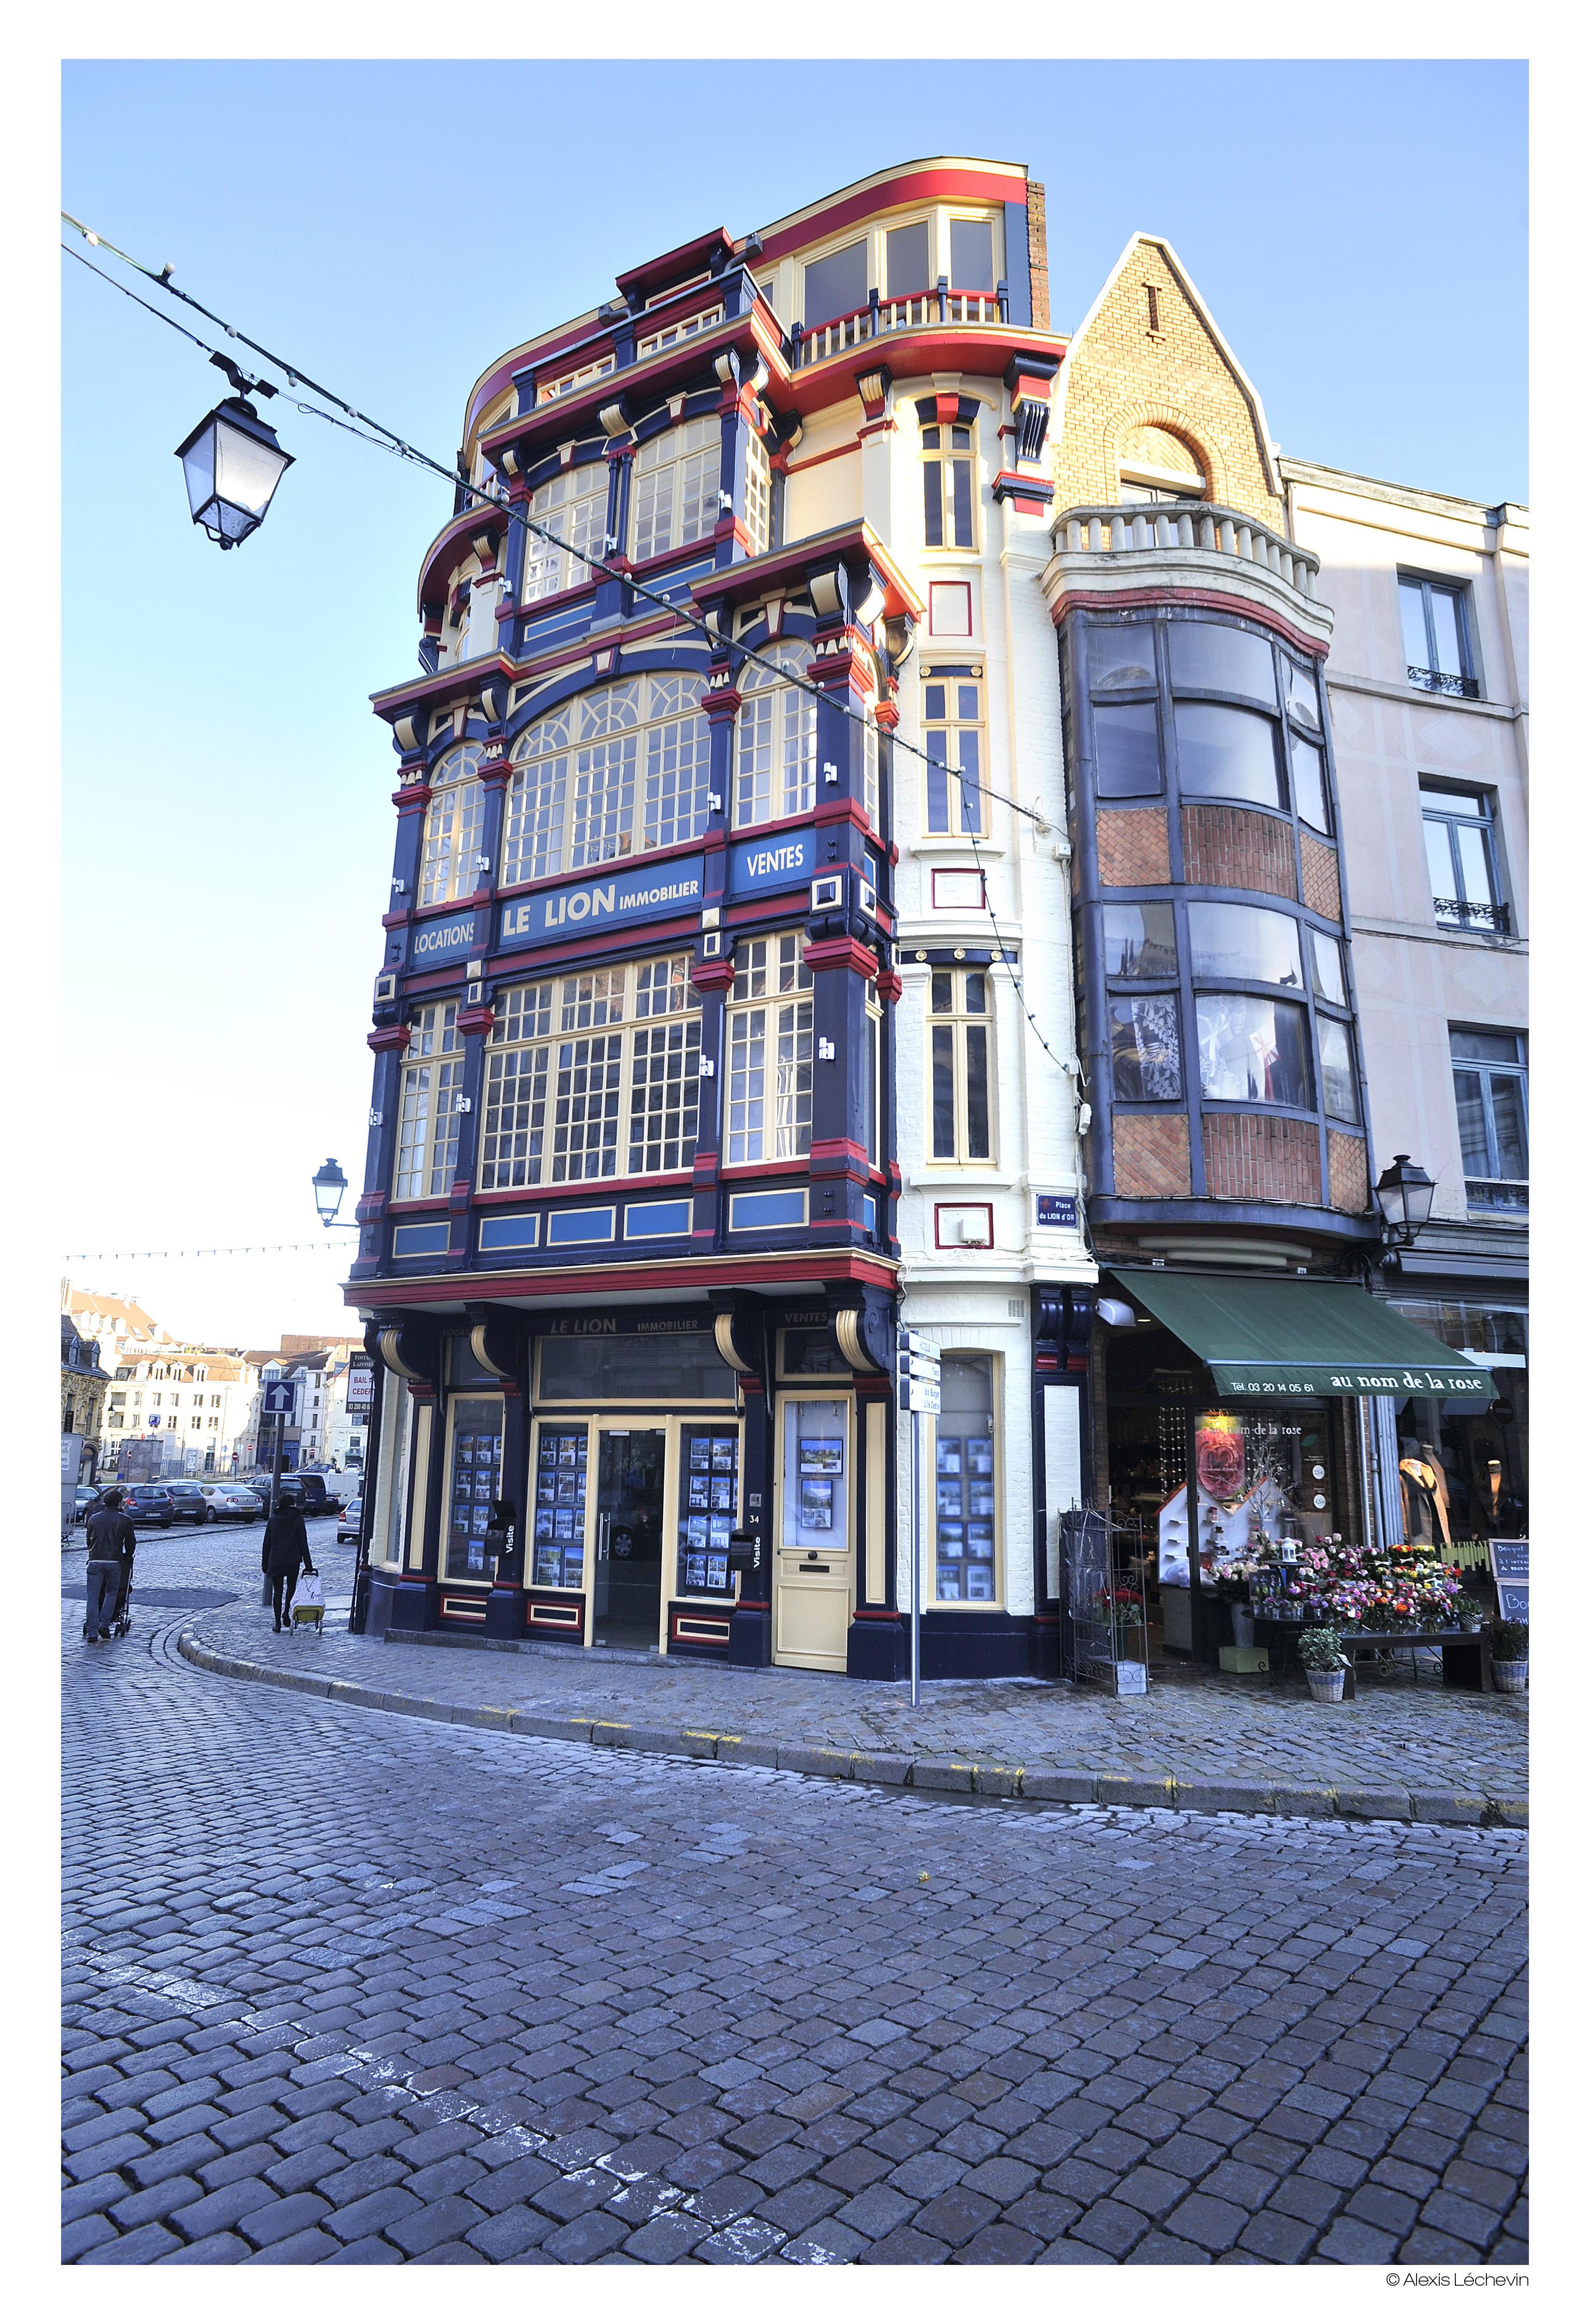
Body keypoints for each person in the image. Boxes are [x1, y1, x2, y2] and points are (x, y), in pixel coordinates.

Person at [83, 1488, 135, 1644]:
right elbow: (131, 1543)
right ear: (120, 1503)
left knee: (93, 1598)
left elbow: (89, 1541)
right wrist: (127, 1556)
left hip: (94, 1561)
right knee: (111, 1593)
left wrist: (93, 1553)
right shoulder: (125, 1520)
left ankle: (92, 1632)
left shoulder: (93, 1519)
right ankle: (104, 1624)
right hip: (114, 1562)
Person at [261, 1499, 313, 1632]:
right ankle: (286, 1611)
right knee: (291, 1587)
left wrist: (265, 1563)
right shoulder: (298, 1520)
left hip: (276, 1560)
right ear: (293, 1505)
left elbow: (267, 1544)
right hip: (293, 1560)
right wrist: (308, 1564)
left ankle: (277, 1624)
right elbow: (303, 1542)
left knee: (278, 1592)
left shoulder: (273, 1520)